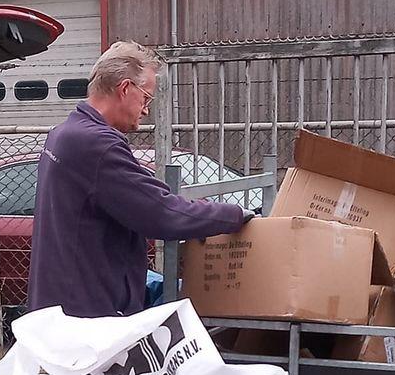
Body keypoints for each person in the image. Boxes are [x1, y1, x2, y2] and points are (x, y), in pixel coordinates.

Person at [26, 42, 250, 318]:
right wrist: (233, 215)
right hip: (87, 317)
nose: (146, 110)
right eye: (146, 98)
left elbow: (139, 194)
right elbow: (160, 213)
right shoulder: (97, 144)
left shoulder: (64, 133)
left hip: (60, 306)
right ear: (124, 88)